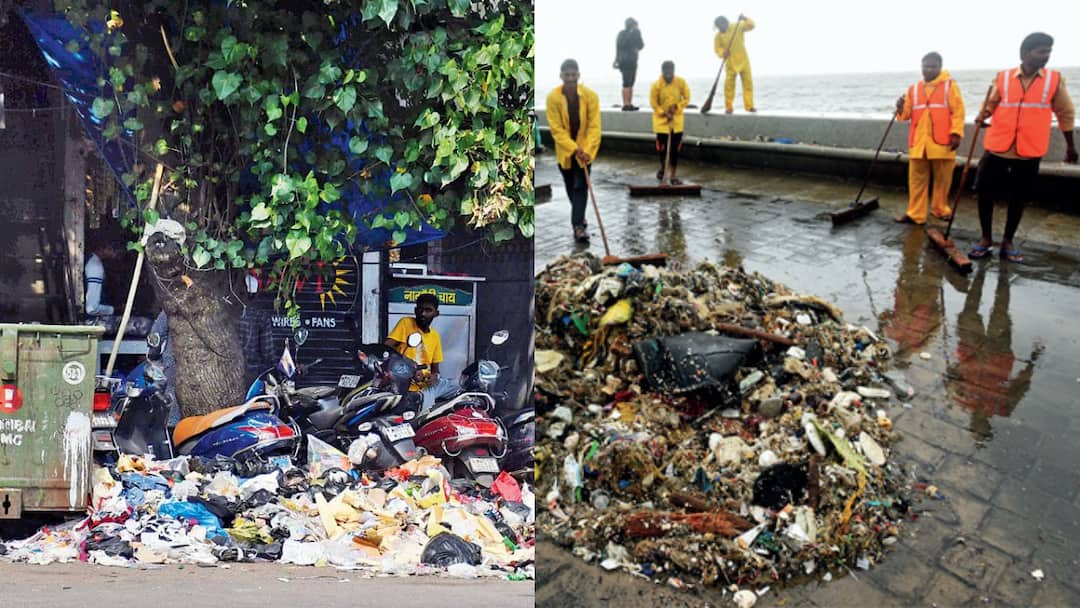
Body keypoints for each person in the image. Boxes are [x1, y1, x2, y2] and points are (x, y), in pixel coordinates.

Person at [969, 32, 1077, 263]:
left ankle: (1008, 242)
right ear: (1025, 53)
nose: (1046, 56)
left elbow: (1066, 113)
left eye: (1049, 52)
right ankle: (986, 239)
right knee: (985, 193)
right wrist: (983, 115)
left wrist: (1070, 146)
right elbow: (992, 103)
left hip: (1029, 150)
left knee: (1019, 198)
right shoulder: (1004, 77)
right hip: (998, 147)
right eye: (1041, 51)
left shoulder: (1054, 80)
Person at [894, 52, 965, 225]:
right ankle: (915, 214)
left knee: (942, 180)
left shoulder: (950, 85)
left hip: (942, 143)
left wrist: (956, 133)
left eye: (933, 66)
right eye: (925, 66)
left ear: (940, 67)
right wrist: (899, 108)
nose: (928, 69)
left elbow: (958, 111)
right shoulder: (914, 88)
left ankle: (940, 209)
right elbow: (904, 116)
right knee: (916, 181)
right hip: (919, 143)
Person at [545, 59, 601, 243]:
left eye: (573, 75)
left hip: (586, 152)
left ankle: (578, 226)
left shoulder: (590, 96)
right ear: (561, 76)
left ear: (578, 75)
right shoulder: (552, 98)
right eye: (566, 75)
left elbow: (594, 127)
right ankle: (580, 214)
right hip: (566, 152)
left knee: (580, 186)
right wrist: (574, 149)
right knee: (571, 188)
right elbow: (556, 130)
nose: (570, 78)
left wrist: (587, 151)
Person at [385, 293, 454, 412]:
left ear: (436, 314)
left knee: (459, 387)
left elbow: (435, 369)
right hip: (403, 385)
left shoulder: (435, 336)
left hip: (425, 387)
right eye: (420, 310)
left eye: (428, 310)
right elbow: (386, 349)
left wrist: (434, 377)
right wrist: (408, 366)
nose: (423, 314)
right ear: (415, 310)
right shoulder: (406, 323)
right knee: (419, 413)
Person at [650, 61, 691, 184]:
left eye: (670, 71)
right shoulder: (656, 85)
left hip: (676, 122)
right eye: (666, 71)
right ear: (662, 71)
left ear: (673, 71)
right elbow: (654, 104)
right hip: (661, 123)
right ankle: (663, 169)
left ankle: (673, 175)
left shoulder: (681, 82)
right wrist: (664, 112)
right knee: (662, 149)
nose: (668, 74)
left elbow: (687, 98)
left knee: (675, 150)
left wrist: (677, 106)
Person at [713, 14, 755, 114]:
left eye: (723, 24)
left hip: (744, 61)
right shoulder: (718, 36)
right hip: (730, 63)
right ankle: (729, 107)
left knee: (748, 85)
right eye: (719, 26)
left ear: (726, 22)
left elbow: (751, 25)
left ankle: (749, 107)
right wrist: (723, 53)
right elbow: (717, 49)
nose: (722, 27)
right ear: (718, 26)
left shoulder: (737, 26)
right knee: (729, 86)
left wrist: (745, 18)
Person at [614, 17, 644, 111]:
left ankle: (628, 103)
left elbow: (618, 47)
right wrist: (637, 33)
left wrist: (616, 59)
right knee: (628, 83)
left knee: (629, 83)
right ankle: (627, 104)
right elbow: (641, 45)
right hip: (629, 61)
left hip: (624, 61)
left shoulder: (621, 34)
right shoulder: (634, 33)